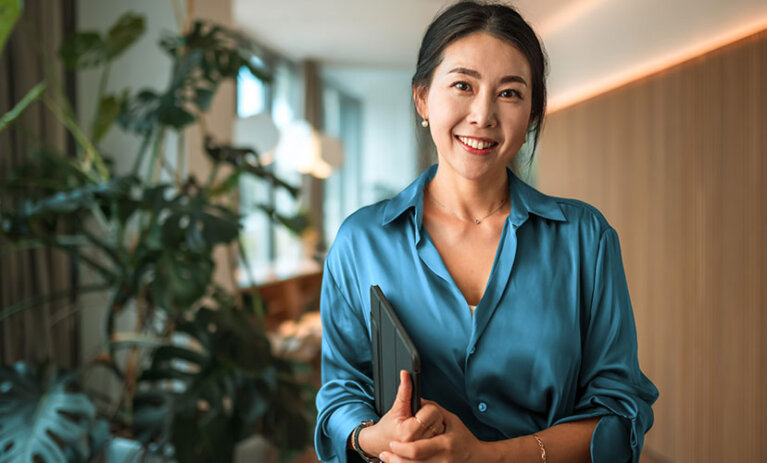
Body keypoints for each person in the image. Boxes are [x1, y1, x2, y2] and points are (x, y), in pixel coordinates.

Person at [314, 2, 659, 462]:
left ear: (532, 112)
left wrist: (487, 456)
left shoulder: (585, 238)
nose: (483, 115)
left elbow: (621, 411)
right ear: (422, 97)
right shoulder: (361, 242)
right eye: (462, 85)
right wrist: (372, 436)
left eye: (510, 93)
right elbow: (339, 396)